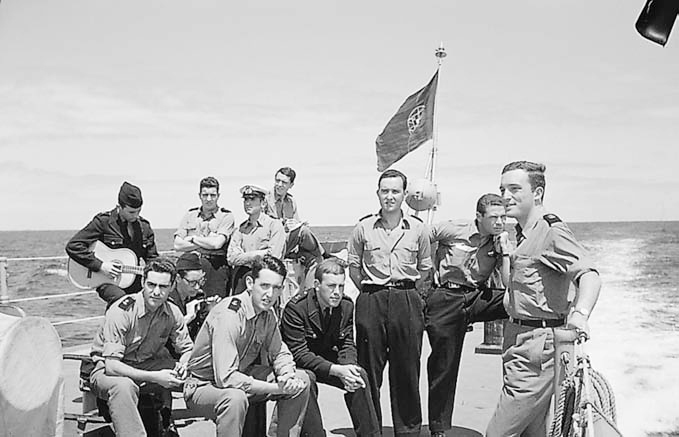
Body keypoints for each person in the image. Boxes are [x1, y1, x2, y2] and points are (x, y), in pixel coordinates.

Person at [486, 161, 601, 437]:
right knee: (532, 432)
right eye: (502, 189)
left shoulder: (550, 232)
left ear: (537, 193)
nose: (505, 196)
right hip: (518, 341)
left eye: (515, 189)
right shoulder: (521, 234)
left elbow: (589, 275)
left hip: (538, 349)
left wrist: (580, 314)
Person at [183, 255, 310, 437]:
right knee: (234, 398)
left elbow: (279, 352)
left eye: (276, 288)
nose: (270, 294)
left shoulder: (267, 313)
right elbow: (226, 378)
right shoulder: (230, 315)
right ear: (250, 283)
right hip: (204, 385)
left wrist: (287, 376)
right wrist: (276, 388)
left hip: (242, 375)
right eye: (264, 286)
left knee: (301, 380)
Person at [347, 169, 433, 437]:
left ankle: (407, 430)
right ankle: (370, 429)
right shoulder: (363, 228)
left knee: (407, 368)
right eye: (385, 191)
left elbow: (425, 269)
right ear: (378, 193)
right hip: (371, 298)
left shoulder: (418, 229)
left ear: (404, 195)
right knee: (368, 369)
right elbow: (354, 267)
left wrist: (407, 294)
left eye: (395, 191)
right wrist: (371, 291)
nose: (390, 196)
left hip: (406, 298)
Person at [425, 193, 510, 437]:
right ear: (479, 217)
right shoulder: (454, 229)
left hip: (476, 298)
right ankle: (438, 427)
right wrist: (426, 270)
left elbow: (508, 284)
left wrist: (505, 252)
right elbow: (421, 237)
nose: (499, 222)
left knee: (516, 302)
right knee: (445, 363)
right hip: (447, 296)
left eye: (503, 217)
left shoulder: (499, 240)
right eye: (493, 217)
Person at [88, 257, 193, 436]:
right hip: (107, 370)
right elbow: (112, 366)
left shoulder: (172, 312)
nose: (156, 292)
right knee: (123, 387)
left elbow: (187, 349)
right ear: (143, 282)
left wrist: (183, 365)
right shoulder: (122, 311)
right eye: (151, 285)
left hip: (146, 364)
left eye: (163, 286)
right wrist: (156, 377)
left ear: (172, 286)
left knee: (198, 376)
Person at [281, 258, 380, 437]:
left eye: (341, 286)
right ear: (317, 285)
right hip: (299, 363)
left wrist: (348, 368)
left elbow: (346, 343)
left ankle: (370, 434)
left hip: (326, 357)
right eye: (331, 286)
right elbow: (299, 353)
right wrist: (336, 370)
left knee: (358, 375)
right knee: (307, 379)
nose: (337, 292)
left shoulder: (346, 306)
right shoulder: (296, 309)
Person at [66, 181, 158, 305]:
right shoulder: (103, 222)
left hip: (133, 279)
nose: (136, 216)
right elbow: (74, 246)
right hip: (107, 282)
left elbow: (153, 258)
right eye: (131, 212)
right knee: (124, 302)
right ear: (119, 207)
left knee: (154, 301)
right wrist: (100, 265)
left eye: (139, 211)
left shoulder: (144, 227)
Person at [174, 176, 235, 298]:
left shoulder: (226, 216)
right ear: (199, 195)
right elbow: (177, 245)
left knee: (215, 305)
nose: (209, 199)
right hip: (191, 268)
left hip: (215, 268)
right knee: (190, 303)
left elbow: (216, 244)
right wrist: (207, 241)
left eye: (213, 195)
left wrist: (193, 238)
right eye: (205, 195)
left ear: (218, 196)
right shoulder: (190, 215)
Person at [227, 184, 286, 294]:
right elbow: (231, 258)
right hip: (243, 278)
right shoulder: (240, 229)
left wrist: (243, 256)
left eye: (252, 199)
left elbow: (273, 257)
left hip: (266, 278)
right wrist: (259, 254)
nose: (248, 203)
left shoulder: (274, 225)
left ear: (263, 203)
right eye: (246, 199)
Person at [265, 167, 325, 269]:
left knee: (311, 255)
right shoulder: (265, 199)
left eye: (284, 182)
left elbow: (296, 224)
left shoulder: (291, 201)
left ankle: (320, 258)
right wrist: (281, 226)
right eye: (277, 181)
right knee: (304, 231)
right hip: (273, 243)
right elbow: (262, 226)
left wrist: (298, 224)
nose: (279, 185)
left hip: (288, 242)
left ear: (291, 185)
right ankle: (324, 254)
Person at [167, 252, 211, 341]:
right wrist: (188, 318)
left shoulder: (198, 296)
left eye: (200, 281)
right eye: (192, 282)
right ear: (178, 278)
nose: (197, 287)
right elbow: (164, 334)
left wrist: (213, 310)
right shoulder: (167, 301)